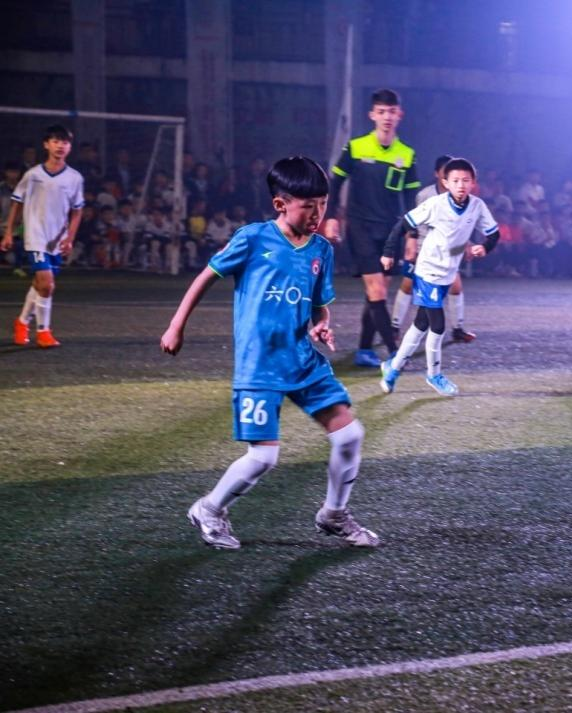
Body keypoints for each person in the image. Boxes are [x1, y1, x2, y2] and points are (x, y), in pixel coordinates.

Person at [161, 156, 378, 550]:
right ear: (280, 204)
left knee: (350, 435)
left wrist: (321, 323)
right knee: (263, 458)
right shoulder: (253, 238)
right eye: (308, 206)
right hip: (259, 366)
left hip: (303, 361)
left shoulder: (321, 250)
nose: (317, 214)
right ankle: (209, 509)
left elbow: (318, 304)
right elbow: (205, 276)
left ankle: (333, 514)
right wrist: (177, 325)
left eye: (323, 204)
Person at [379, 158, 499, 396]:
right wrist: (388, 252)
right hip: (427, 271)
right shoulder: (435, 204)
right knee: (438, 325)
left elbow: (494, 234)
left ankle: (393, 367)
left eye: (466, 180)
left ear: (473, 183)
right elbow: (403, 224)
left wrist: (484, 247)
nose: (461, 185)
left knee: (421, 324)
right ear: (445, 182)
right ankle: (434, 375)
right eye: (455, 180)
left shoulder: (477, 206)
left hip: (448, 272)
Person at [324, 88, 420, 367]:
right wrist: (331, 217)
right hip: (360, 228)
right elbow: (335, 183)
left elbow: (411, 199)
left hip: (391, 231)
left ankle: (364, 350)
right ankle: (394, 353)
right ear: (372, 115)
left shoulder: (407, 155)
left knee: (376, 292)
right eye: (381, 112)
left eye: (391, 112)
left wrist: (412, 235)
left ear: (399, 115)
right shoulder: (356, 147)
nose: (387, 117)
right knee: (376, 290)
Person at [2, 124, 85, 348]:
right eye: (55, 141)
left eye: (65, 142)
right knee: (47, 285)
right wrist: (9, 233)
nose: (60, 146)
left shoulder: (74, 178)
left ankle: (21, 322)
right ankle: (43, 331)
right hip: (35, 236)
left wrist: (69, 238)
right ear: (46, 145)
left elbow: (77, 211)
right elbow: (16, 203)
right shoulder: (33, 175)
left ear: (70, 147)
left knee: (40, 284)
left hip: (57, 239)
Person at [391, 155, 478, 343]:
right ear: (437, 174)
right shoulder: (425, 195)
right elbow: (413, 220)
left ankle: (457, 329)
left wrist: (467, 243)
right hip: (423, 247)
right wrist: (412, 242)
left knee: (456, 286)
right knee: (408, 284)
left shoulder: (461, 197)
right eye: (446, 171)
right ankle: (394, 326)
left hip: (446, 251)